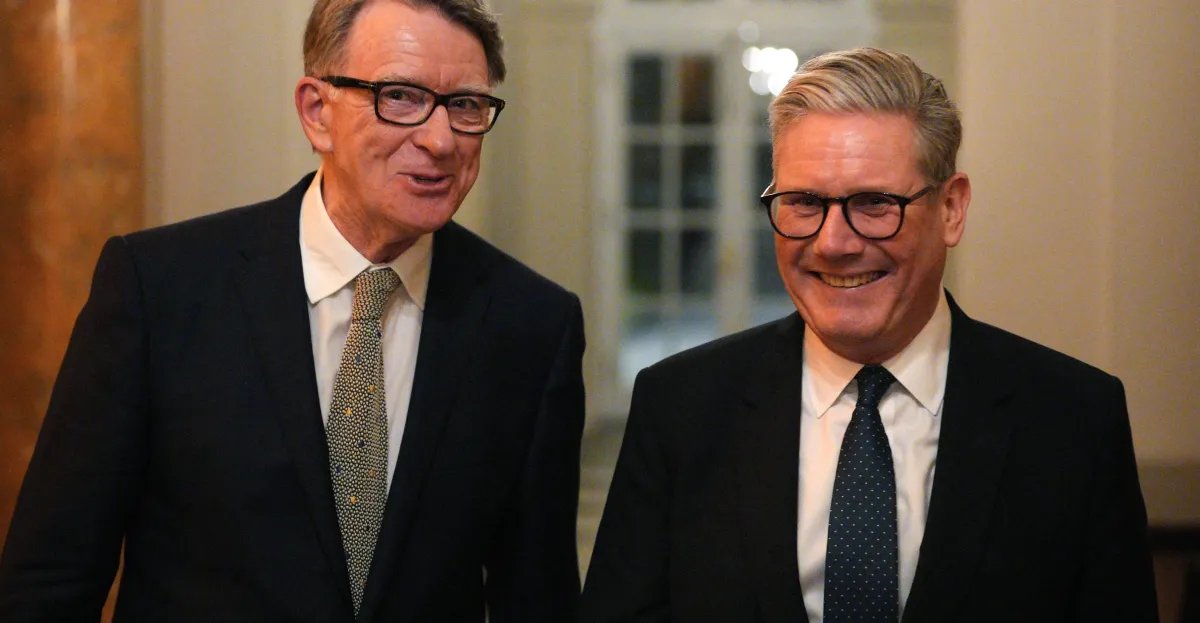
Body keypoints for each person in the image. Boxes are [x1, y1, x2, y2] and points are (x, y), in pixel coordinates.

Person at [0, 1, 585, 621]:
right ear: (316, 112)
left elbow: (538, 597)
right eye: (400, 96)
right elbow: (51, 577)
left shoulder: (531, 326)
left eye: (465, 105)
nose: (441, 140)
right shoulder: (160, 289)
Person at [581, 47, 1157, 623]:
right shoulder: (681, 406)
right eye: (804, 202)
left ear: (951, 209)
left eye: (875, 203)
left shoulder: (1073, 417)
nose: (833, 242)